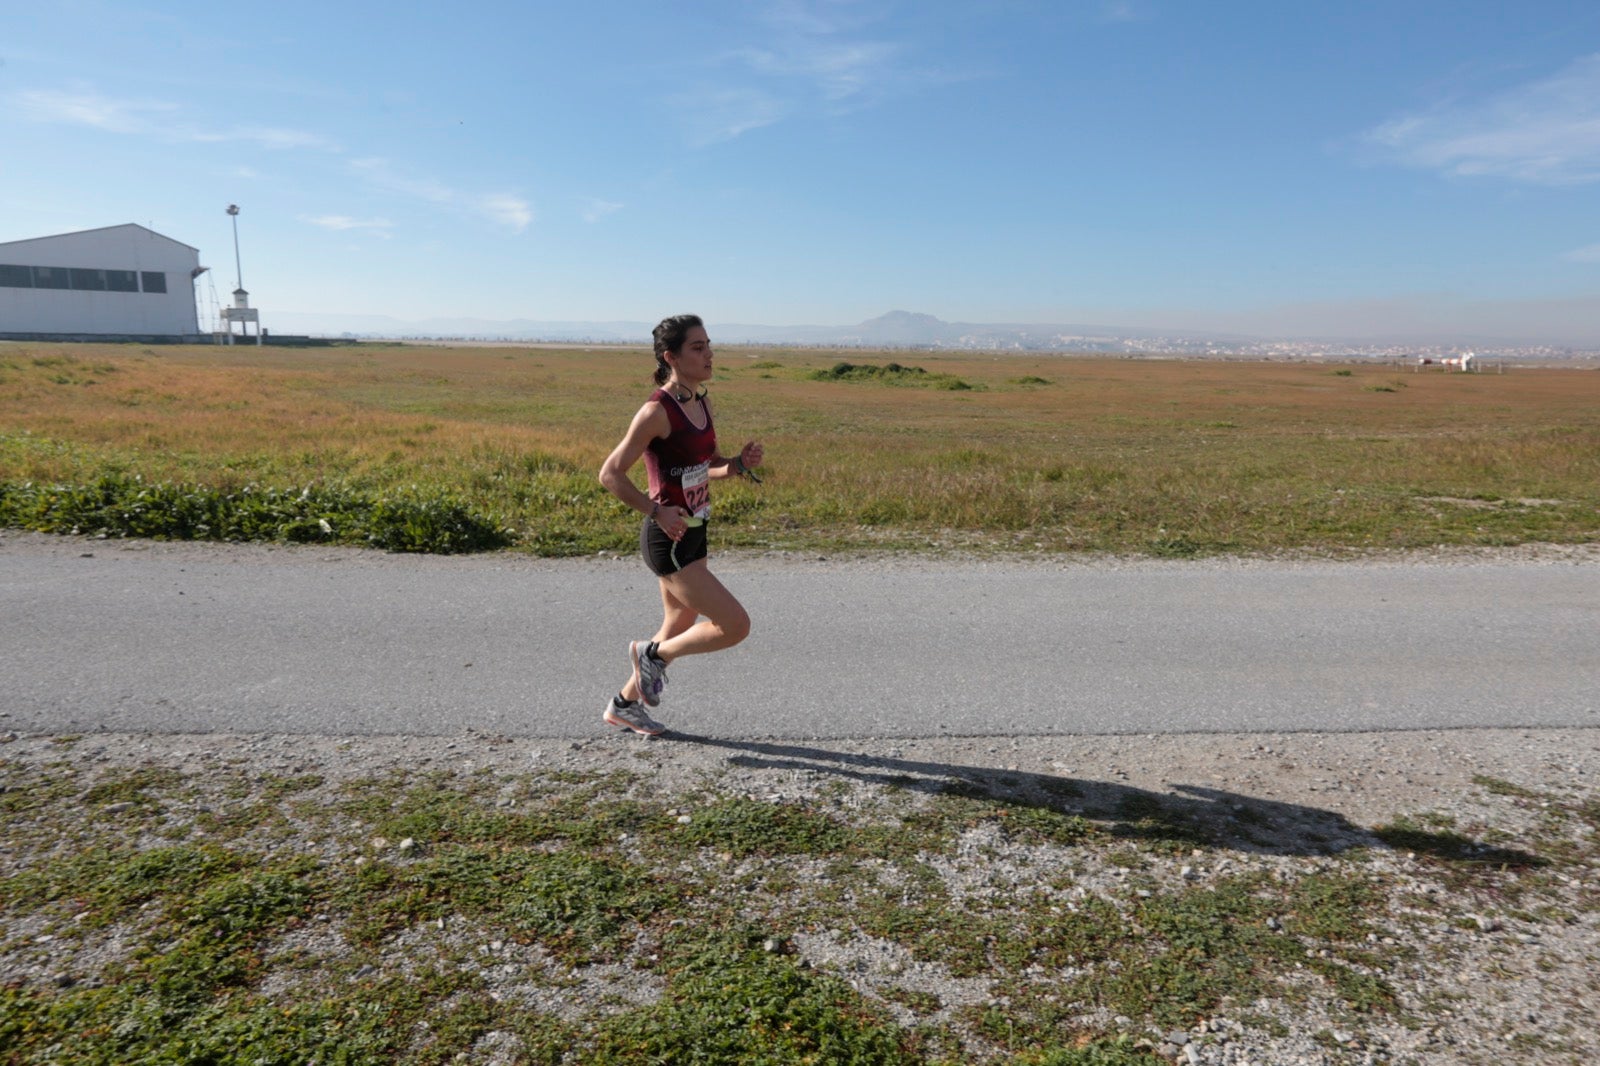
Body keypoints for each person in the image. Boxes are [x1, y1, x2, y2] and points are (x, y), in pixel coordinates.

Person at [597, 314, 764, 735]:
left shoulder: (701, 402)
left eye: (709, 344)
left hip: (695, 530)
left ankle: (623, 706)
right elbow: (610, 473)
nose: (709, 354)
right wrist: (656, 510)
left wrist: (738, 465)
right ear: (671, 357)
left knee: (677, 624)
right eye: (697, 347)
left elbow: (705, 466)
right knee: (735, 625)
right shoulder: (656, 410)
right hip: (668, 536)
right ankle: (652, 656)